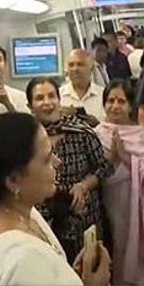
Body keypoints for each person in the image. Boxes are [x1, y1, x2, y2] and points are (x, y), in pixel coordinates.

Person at [0, 113, 111, 286]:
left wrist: (68, 275)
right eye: (46, 159)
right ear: (13, 180)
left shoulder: (20, 210)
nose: (57, 162)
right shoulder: (22, 260)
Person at [94, 81, 144, 285]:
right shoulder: (98, 133)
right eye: (110, 100)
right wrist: (114, 160)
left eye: (121, 101)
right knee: (120, 242)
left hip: (143, 204)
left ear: (131, 105)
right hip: (115, 202)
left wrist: (126, 158)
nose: (115, 105)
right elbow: (96, 171)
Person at [26, 77, 112, 264]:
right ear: (30, 106)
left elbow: (104, 167)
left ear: (59, 100)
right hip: (43, 220)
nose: (47, 102)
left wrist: (83, 185)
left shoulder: (81, 132)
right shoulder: (26, 139)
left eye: (51, 96)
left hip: (83, 217)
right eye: (39, 98)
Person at [60, 49, 106, 124]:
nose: (75, 69)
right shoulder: (58, 96)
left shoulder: (104, 95)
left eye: (80, 64)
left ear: (91, 68)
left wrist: (98, 125)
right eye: (71, 65)